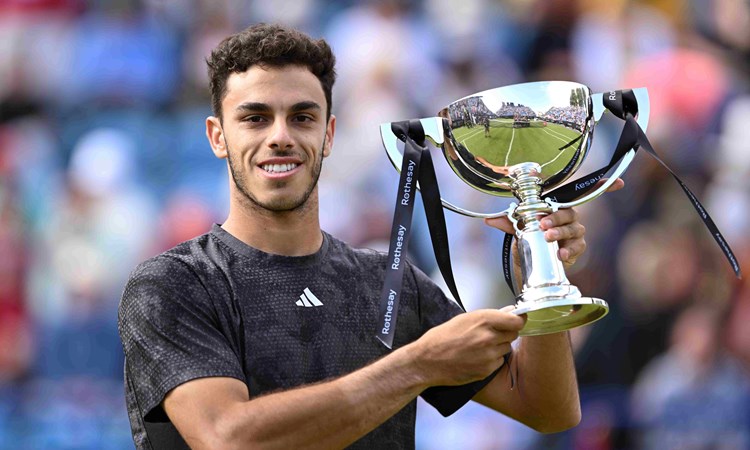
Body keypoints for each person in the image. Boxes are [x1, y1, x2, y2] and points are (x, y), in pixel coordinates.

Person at [118, 23, 622, 449]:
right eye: (254, 118)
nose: (280, 136)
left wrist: (539, 274)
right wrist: (417, 366)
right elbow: (228, 439)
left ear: (330, 134)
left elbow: (547, 408)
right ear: (217, 136)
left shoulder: (388, 280)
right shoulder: (172, 284)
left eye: (302, 117)